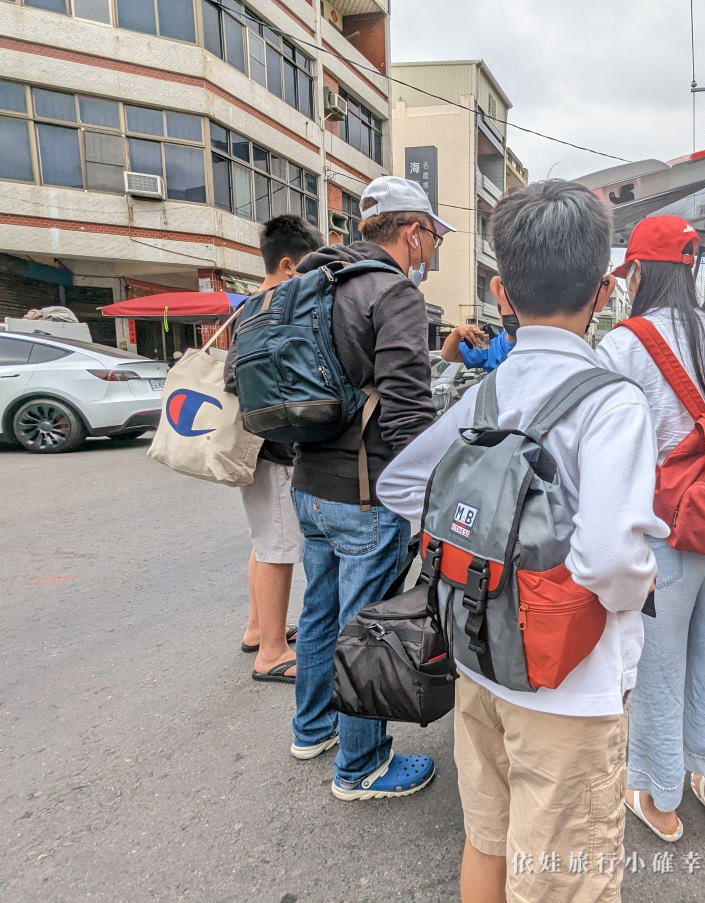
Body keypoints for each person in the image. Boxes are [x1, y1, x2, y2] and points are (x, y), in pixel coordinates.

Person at [377, 180, 664, 903]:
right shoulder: (612, 403)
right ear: (604, 291)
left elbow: (402, 486)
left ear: (502, 291)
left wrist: (484, 544)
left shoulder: (486, 394)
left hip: (482, 663)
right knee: (564, 881)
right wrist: (634, 588)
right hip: (571, 689)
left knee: (490, 844)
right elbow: (609, 560)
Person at [596, 215, 705, 843]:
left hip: (667, 533)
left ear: (636, 271)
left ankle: (659, 792)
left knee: (658, 665)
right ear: (692, 272)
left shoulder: (622, 345)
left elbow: (611, 452)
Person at [287, 175, 448, 800]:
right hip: (363, 490)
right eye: (432, 236)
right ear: (413, 232)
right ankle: (361, 766)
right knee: (364, 627)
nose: (431, 248)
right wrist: (431, 491)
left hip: (308, 484)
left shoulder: (310, 284)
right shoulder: (392, 293)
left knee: (321, 609)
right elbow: (408, 409)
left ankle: (313, 728)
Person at [224, 214, 322, 683]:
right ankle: (271, 653)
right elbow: (242, 381)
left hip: (256, 449)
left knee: (265, 543)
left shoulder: (247, 309)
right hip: (274, 451)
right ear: (287, 265)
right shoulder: (272, 309)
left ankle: (258, 628)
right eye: (307, 270)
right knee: (279, 547)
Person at [439, 313, 517, 373]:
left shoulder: (493, 344)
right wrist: (457, 333)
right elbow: (448, 355)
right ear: (500, 314)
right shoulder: (491, 344)